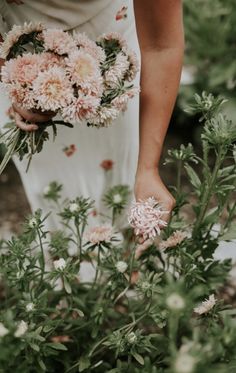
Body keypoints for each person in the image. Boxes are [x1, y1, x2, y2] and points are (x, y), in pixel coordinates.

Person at [0, 0, 184, 229]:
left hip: (111, 49)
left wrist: (148, 169)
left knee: (122, 187)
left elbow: (161, 45)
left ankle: (127, 255)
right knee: (54, 201)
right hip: (21, 57)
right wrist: (11, 76)